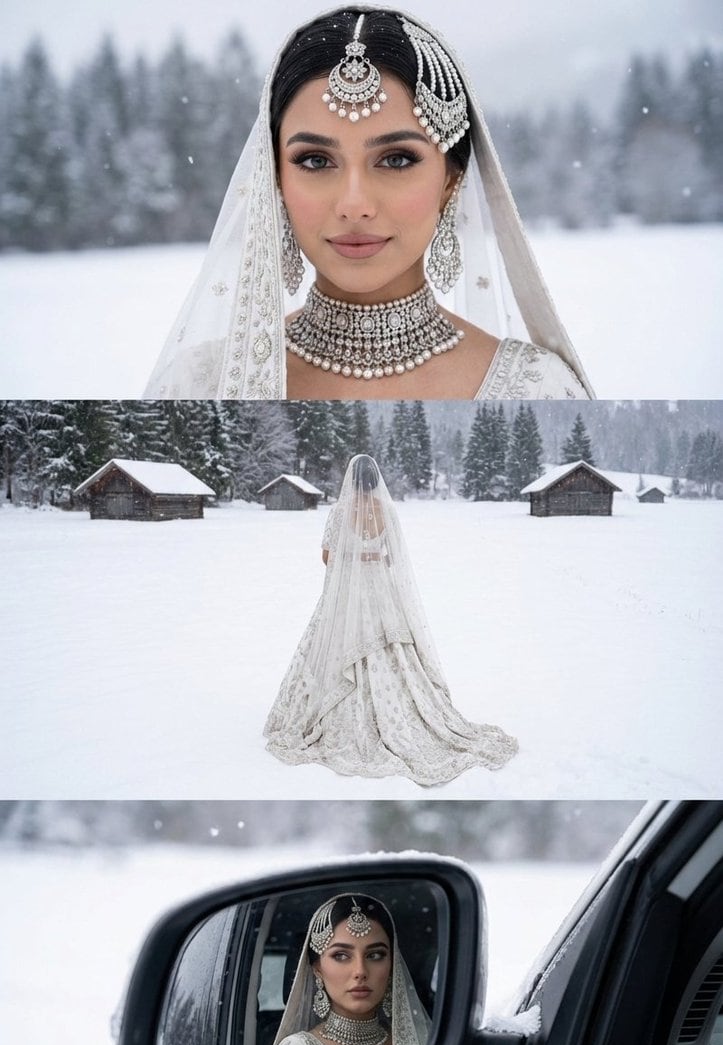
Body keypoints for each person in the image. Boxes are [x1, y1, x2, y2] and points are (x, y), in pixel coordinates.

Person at [143, 8, 594, 401]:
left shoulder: (539, 388)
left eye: (396, 159)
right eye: (316, 160)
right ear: (274, 179)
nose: (354, 205)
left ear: (450, 180)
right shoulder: (200, 384)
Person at [263, 454, 518, 785]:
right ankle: (398, 711)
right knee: (394, 653)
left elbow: (328, 557)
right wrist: (372, 556)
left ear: (351, 480)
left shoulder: (340, 512)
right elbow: (395, 557)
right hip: (382, 592)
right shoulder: (388, 512)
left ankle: (344, 712)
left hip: (348, 595)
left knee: (338, 649)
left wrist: (353, 560)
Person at [268, 893, 430, 1045]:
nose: (360, 971)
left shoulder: (418, 1044)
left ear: (392, 966)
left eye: (375, 955)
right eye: (341, 956)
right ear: (318, 969)